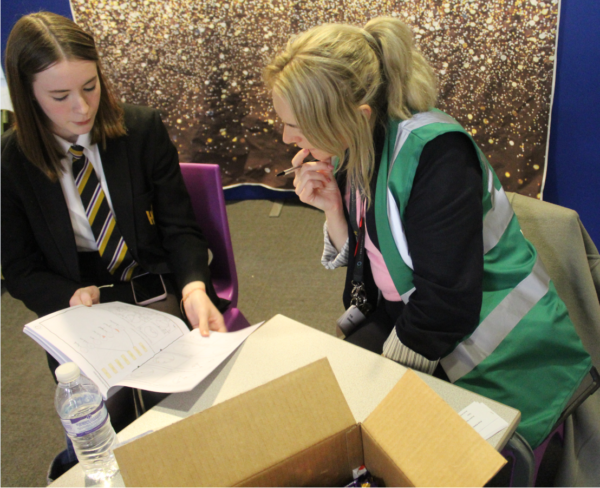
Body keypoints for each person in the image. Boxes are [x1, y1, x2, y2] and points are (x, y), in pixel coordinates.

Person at [264, 17, 592, 450]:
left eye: (298, 126)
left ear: (357, 115)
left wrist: (384, 385)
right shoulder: (356, 146)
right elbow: (378, 261)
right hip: (420, 323)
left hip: (501, 358)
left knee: (371, 437)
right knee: (320, 412)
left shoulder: (436, 156)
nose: (287, 137)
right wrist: (333, 211)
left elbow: (446, 305)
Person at [2, 11, 228, 442]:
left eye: (90, 87)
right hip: (80, 303)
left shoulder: (141, 129)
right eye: (60, 96)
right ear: (27, 96)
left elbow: (179, 227)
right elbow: (20, 270)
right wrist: (68, 295)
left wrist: (194, 287)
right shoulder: (9, 164)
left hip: (153, 283)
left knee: (191, 410)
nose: (82, 107)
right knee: (109, 421)